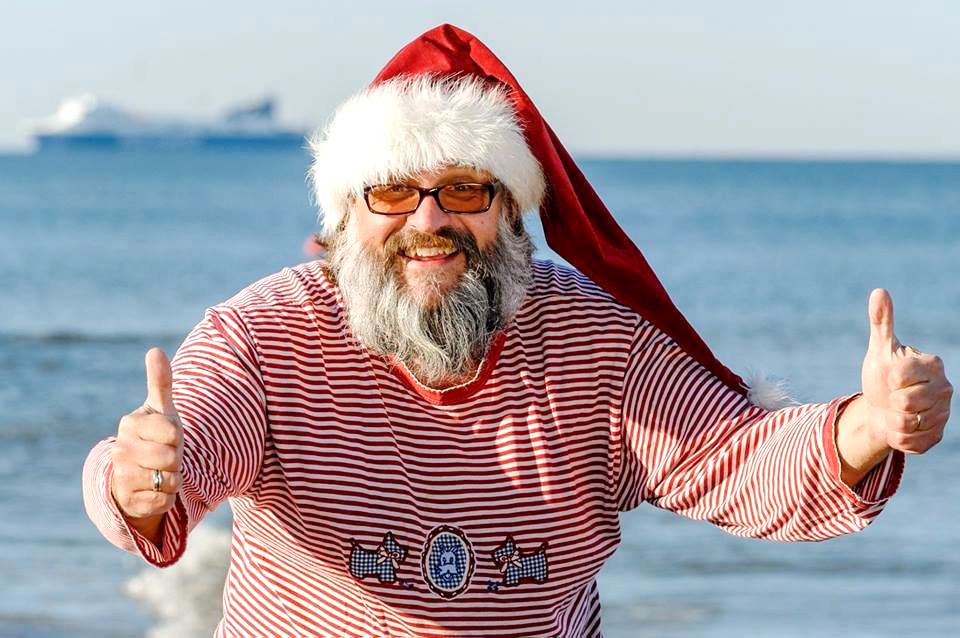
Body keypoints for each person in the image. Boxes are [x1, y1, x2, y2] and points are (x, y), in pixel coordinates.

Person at [82, 24, 952, 637]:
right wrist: (139, 481)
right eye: (393, 191)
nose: (429, 220)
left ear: (511, 212)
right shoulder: (264, 336)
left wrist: (868, 427)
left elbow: (740, 460)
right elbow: (176, 456)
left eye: (465, 189)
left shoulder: (594, 341)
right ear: (347, 218)